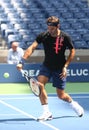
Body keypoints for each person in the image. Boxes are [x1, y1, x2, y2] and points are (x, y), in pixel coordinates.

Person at [17, 16, 84, 121]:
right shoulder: (44, 36)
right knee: (40, 85)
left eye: (52, 28)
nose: (50, 30)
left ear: (58, 26)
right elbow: (32, 47)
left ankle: (73, 104)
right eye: (48, 27)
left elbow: (72, 51)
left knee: (61, 95)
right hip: (47, 66)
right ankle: (46, 112)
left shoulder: (65, 37)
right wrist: (22, 61)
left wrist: (65, 66)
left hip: (60, 68)